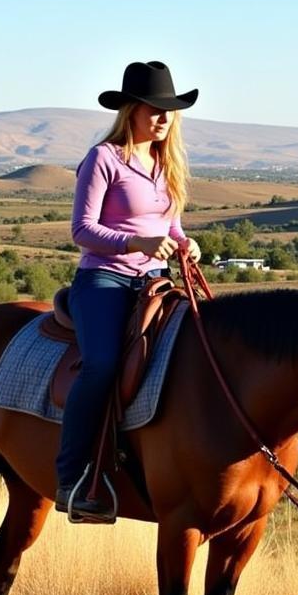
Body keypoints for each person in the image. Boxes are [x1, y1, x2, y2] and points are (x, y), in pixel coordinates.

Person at [54, 60, 202, 523]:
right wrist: (135, 242)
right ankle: (72, 476)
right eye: (154, 109)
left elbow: (168, 221)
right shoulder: (104, 159)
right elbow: (82, 229)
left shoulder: (165, 163)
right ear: (131, 111)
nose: (163, 118)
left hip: (155, 281)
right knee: (101, 365)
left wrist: (184, 242)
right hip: (104, 279)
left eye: (170, 111)